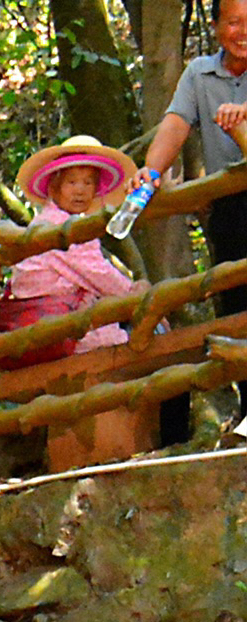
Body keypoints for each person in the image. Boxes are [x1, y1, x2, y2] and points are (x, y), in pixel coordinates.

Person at [132, 0, 247, 429]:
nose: (242, 31)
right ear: (215, 26)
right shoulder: (200, 73)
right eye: (233, 22)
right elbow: (176, 123)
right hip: (230, 208)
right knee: (235, 298)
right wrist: (151, 170)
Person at [0, 138, 144, 371]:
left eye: (88, 183)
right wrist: (135, 293)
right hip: (56, 316)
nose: (80, 190)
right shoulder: (58, 228)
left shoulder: (59, 223)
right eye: (72, 182)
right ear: (55, 187)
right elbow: (98, 274)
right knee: (127, 333)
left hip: (53, 313)